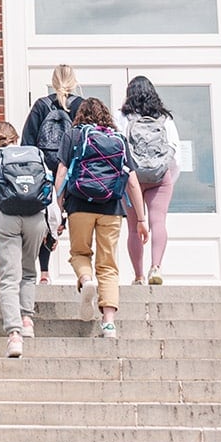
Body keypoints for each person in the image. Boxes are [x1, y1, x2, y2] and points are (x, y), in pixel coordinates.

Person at [59, 96, 148, 339]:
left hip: (79, 205)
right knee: (108, 264)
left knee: (79, 253)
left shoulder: (74, 135)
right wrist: (141, 219)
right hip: (111, 208)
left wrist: (58, 209)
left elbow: (62, 173)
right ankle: (108, 323)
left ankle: (86, 279)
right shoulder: (118, 139)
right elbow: (131, 180)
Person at [0, 116, 57, 356]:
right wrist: (53, 228)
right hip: (35, 217)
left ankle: (14, 336)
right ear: (16, 138)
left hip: (6, 217)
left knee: (8, 278)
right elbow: (50, 191)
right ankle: (27, 321)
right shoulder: (35, 154)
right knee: (28, 272)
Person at [119, 74, 181, 288]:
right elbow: (174, 150)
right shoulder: (164, 118)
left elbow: (119, 147)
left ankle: (138, 276)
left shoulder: (124, 116)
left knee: (134, 227)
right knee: (158, 222)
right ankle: (156, 267)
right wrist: (168, 176)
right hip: (159, 176)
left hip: (132, 177)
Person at [22, 66, 80, 285]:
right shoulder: (81, 106)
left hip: (45, 172)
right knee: (78, 219)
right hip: (73, 172)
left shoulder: (41, 105)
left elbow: (27, 143)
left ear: (53, 81)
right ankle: (82, 272)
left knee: (45, 219)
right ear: (73, 82)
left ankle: (44, 272)